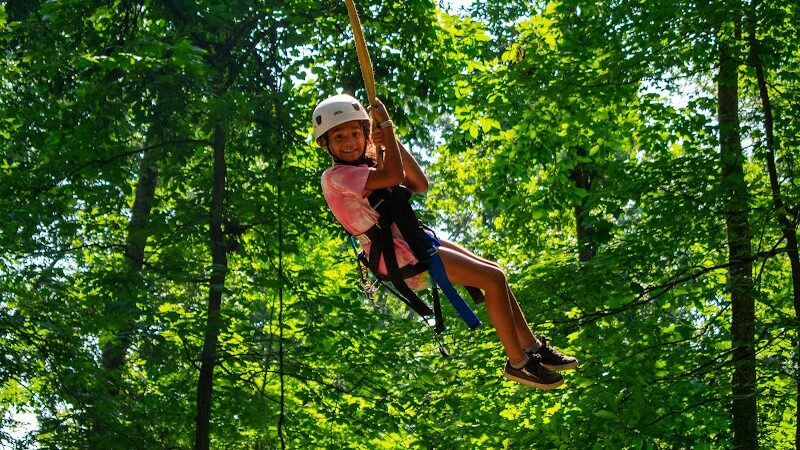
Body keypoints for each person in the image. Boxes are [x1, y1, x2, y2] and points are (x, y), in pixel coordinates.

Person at [315, 94, 578, 389]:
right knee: (492, 279)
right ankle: (518, 363)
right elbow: (394, 175)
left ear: (366, 135)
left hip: (414, 242)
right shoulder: (336, 177)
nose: (349, 141)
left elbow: (418, 183)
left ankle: (532, 347)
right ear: (326, 145)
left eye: (355, 133)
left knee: (495, 274)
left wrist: (388, 141)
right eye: (339, 137)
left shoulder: (367, 168)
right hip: (402, 258)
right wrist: (386, 126)